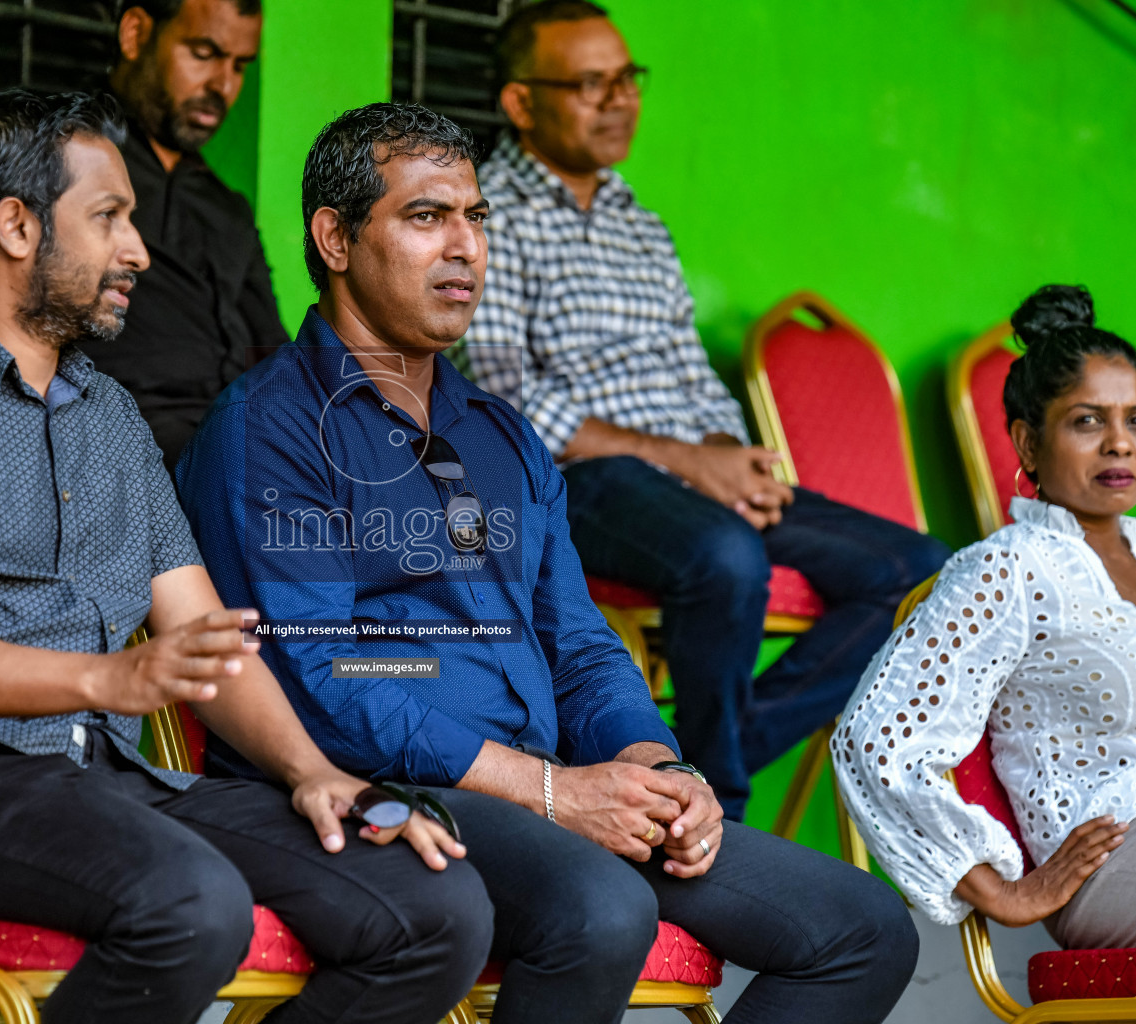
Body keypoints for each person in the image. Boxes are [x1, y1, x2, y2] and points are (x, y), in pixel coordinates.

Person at [177, 101, 919, 1024]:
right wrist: (550, 791)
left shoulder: (504, 439)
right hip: (381, 792)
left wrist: (657, 768)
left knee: (862, 926)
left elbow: (578, 641)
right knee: (601, 907)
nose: (466, 248)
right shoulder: (270, 430)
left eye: (476, 219)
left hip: (548, 786)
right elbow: (331, 680)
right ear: (334, 238)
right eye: (425, 217)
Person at [0, 89, 493, 1024]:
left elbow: (200, 632)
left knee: (432, 907)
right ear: (16, 227)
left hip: (100, 779)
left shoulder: (110, 418)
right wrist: (105, 679)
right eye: (109, 218)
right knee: (191, 901)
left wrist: (308, 770)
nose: (138, 252)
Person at [458, 0, 950, 818]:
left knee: (920, 572)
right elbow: (505, 395)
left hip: (694, 479)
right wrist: (688, 462)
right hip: (583, 480)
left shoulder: (640, 224)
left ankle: (711, 762)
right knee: (725, 558)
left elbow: (693, 375)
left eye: (626, 79)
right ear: (520, 102)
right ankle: (718, 803)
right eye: (590, 83)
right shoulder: (486, 214)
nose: (619, 100)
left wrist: (732, 457)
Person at [834, 285, 1136, 951]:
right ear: (1028, 444)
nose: (1120, 444)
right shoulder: (1006, 570)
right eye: (1088, 421)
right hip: (1115, 860)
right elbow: (874, 740)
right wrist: (1004, 890)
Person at [0, 0, 284, 466]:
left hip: (234, 439)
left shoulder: (227, 207)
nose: (223, 85)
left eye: (240, 65)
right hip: (116, 441)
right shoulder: (53, 146)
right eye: (203, 53)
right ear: (135, 34)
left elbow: (276, 354)